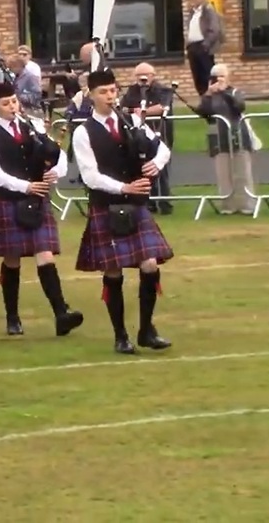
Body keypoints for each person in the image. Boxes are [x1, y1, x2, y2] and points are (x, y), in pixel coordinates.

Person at [71, 67, 173, 355]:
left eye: (113, 90)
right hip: (107, 206)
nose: (109, 96)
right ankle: (120, 335)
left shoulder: (131, 120)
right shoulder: (83, 132)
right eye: (103, 92)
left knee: (150, 265)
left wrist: (157, 164)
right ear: (91, 95)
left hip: (135, 206)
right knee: (113, 272)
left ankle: (146, 329)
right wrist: (125, 188)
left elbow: (162, 148)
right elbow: (90, 177)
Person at [0, 82, 84, 337]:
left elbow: (56, 157)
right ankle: (12, 318)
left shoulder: (33, 128)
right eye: (5, 103)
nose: (12, 107)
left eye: (14, 101)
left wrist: (54, 174)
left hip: (36, 200)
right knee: (12, 259)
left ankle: (61, 314)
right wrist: (26, 186)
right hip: (8, 200)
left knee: (45, 255)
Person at [200, 63, 257, 215]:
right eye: (215, 77)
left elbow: (239, 107)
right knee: (223, 172)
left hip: (238, 134)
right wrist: (208, 94)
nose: (218, 80)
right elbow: (203, 112)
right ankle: (228, 205)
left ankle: (247, 204)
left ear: (227, 77)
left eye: (222, 76)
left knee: (242, 171)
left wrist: (224, 92)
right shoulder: (210, 95)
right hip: (219, 136)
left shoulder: (235, 92)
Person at [121, 63, 175, 213]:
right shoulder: (132, 91)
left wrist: (142, 112)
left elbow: (162, 107)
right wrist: (136, 112)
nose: (142, 79)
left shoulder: (163, 90)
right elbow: (124, 108)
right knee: (142, 167)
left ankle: (164, 203)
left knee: (160, 168)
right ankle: (148, 202)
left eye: (145, 75)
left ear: (153, 75)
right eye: (138, 75)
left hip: (160, 132)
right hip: (139, 136)